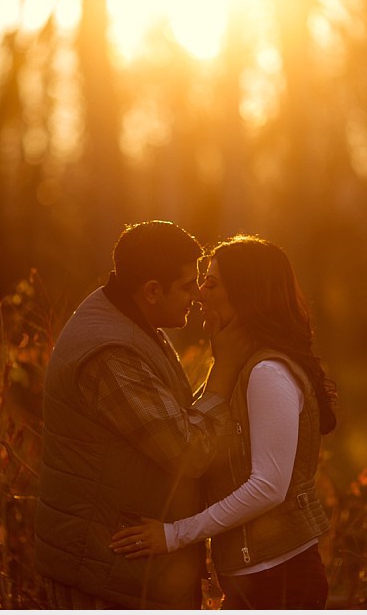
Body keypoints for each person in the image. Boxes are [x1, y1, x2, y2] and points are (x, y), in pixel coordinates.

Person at [110, 234, 338, 609]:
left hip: (279, 581)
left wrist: (175, 535)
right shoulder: (243, 368)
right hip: (257, 577)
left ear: (245, 294)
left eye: (211, 283)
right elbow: (195, 429)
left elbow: (269, 486)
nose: (199, 294)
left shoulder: (267, 372)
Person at [35, 221, 251, 609]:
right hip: (108, 579)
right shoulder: (111, 355)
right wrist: (225, 370)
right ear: (152, 291)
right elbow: (188, 450)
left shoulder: (129, 320)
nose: (198, 296)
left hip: (123, 570)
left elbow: (173, 418)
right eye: (188, 286)